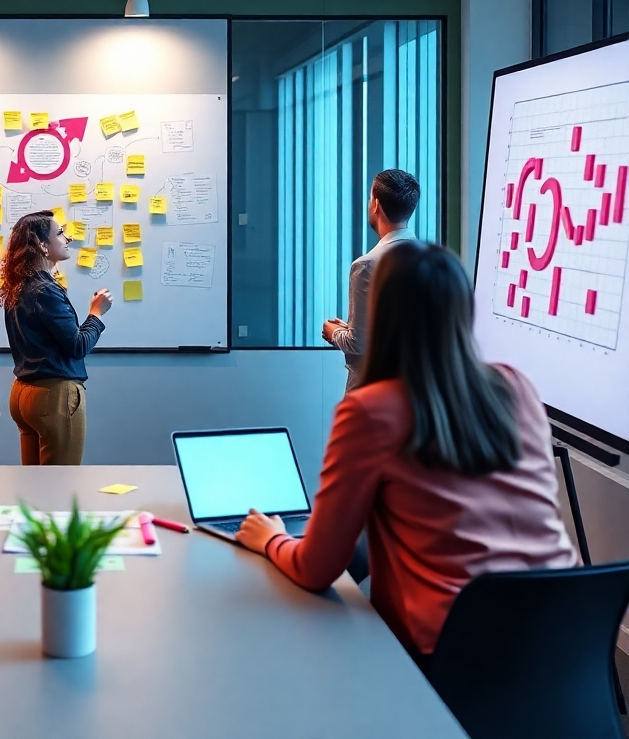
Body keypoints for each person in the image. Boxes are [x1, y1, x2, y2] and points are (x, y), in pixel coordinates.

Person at [238, 241, 578, 665]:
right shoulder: (516, 386)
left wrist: (271, 538)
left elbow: (316, 569)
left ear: (382, 315)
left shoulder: (371, 410)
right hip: (565, 634)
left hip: (449, 651)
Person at [0, 211, 112, 465]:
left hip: (23, 395)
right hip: (54, 396)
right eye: (60, 233)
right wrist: (96, 313)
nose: (68, 238)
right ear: (42, 245)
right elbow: (77, 345)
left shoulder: (18, 286)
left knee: (36, 485)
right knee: (61, 484)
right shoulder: (46, 291)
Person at [322, 168, 420, 393]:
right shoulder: (428, 259)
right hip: (416, 392)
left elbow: (358, 344)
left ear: (376, 204)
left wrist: (333, 332)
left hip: (372, 391)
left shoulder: (367, 265)